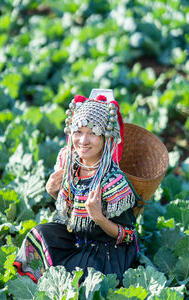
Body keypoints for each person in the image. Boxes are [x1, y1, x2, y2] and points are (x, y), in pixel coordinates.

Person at [13, 90, 139, 284]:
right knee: (38, 236)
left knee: (83, 276)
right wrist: (53, 192)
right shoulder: (68, 164)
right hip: (75, 237)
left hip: (105, 248)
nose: (83, 141)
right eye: (78, 132)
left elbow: (128, 236)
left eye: (93, 134)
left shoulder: (114, 181)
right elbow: (71, 215)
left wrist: (99, 217)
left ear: (106, 138)